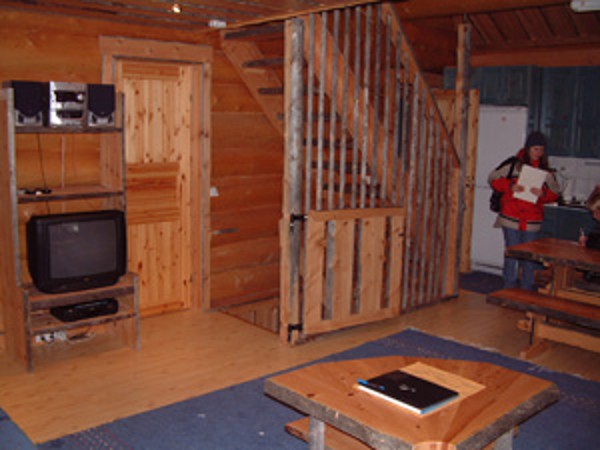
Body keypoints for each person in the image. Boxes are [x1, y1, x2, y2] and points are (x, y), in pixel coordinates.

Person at [488, 131, 560, 290]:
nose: (538, 153)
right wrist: (510, 186)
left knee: (529, 257)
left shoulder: (546, 172)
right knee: (512, 254)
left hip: (532, 220)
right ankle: (508, 286)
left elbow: (556, 192)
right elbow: (492, 178)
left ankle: (527, 287)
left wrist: (543, 194)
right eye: (535, 149)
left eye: (541, 150)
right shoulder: (512, 165)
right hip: (511, 216)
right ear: (528, 148)